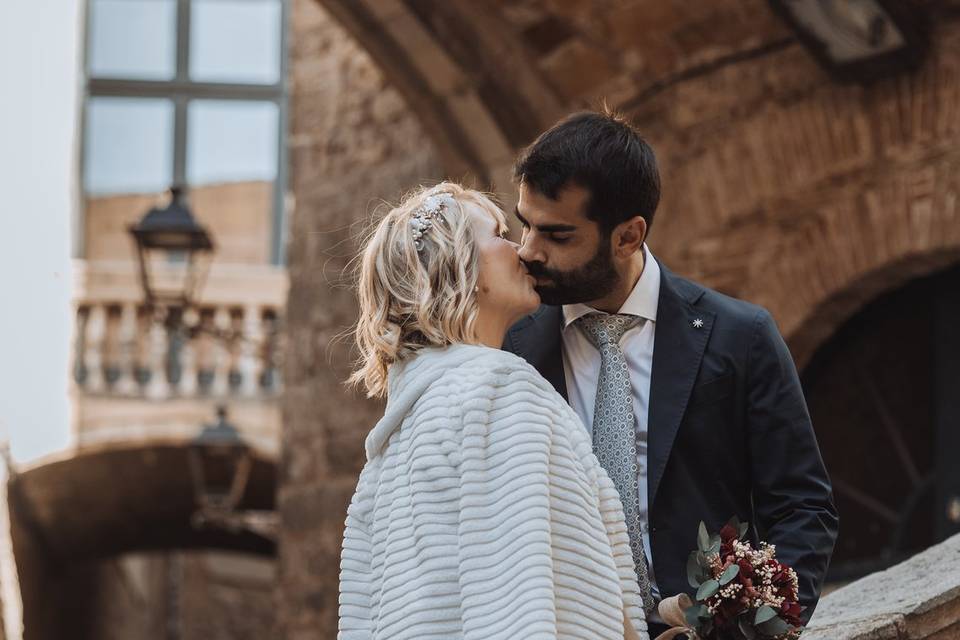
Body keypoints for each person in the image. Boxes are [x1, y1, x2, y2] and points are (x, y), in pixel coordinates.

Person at [503, 110, 839, 636]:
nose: (528, 251)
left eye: (557, 235)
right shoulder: (509, 350)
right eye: (525, 224)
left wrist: (750, 627)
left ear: (628, 235)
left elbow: (803, 508)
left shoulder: (740, 337)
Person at [339, 182, 649, 640]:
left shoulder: (394, 440)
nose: (523, 251)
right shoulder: (499, 391)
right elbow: (515, 602)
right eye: (501, 234)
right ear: (463, 266)